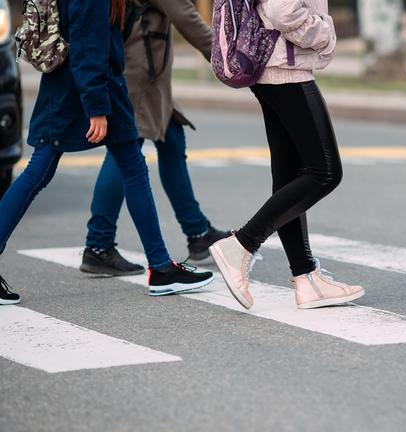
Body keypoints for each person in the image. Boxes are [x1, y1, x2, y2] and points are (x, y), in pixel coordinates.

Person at [0, 0, 213, 305]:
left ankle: (161, 267)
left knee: (123, 168)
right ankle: (161, 268)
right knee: (42, 172)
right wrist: (97, 108)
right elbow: (89, 45)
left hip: (77, 88)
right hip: (88, 91)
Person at [209, 0, 364, 310]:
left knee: (289, 177)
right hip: (286, 69)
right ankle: (242, 244)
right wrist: (325, 34)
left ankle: (306, 278)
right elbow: (282, 10)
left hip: (271, 68)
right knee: (325, 172)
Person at [80, 0, 228, 277]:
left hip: (146, 74)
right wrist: (227, 60)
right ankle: (98, 244)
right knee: (124, 153)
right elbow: (187, 19)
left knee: (172, 140)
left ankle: (197, 232)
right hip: (138, 76)